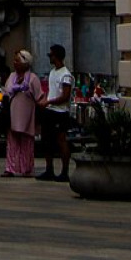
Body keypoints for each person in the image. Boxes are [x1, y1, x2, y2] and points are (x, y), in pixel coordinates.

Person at [2, 48, 44, 177]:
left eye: (17, 61)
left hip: (27, 116)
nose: (14, 63)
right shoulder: (12, 76)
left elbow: (39, 97)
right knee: (12, 142)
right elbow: (6, 92)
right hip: (13, 114)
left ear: (26, 63)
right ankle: (11, 168)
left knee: (27, 142)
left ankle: (26, 168)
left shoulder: (33, 78)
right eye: (14, 61)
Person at [37, 44, 74, 182]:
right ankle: (49, 169)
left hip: (60, 112)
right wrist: (45, 100)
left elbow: (65, 96)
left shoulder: (66, 75)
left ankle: (64, 172)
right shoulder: (53, 72)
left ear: (56, 56)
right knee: (46, 140)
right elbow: (51, 91)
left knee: (61, 140)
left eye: (51, 55)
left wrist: (48, 102)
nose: (49, 57)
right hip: (50, 111)